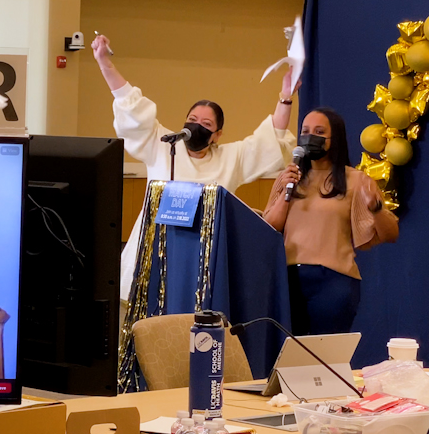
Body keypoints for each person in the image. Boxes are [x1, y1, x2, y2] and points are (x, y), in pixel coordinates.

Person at [91, 35, 299, 300]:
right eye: (191, 119)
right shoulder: (163, 145)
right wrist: (104, 63)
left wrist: (285, 96)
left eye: (206, 124)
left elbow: (271, 138)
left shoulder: (230, 157)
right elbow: (132, 108)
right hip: (156, 254)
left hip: (203, 261)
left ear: (217, 135)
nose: (196, 126)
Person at [263, 108, 399, 335]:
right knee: (287, 356)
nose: (309, 137)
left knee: (324, 358)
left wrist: (375, 209)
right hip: (288, 280)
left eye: (319, 131)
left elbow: (390, 233)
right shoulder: (288, 177)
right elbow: (269, 228)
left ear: (334, 139)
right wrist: (287, 192)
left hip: (333, 281)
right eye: (305, 131)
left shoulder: (355, 180)